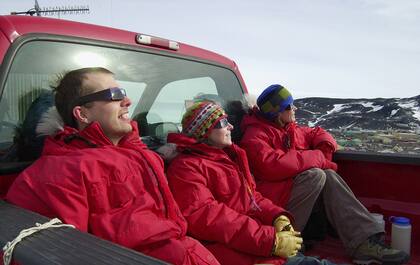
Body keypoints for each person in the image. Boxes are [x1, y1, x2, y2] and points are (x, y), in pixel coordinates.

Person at [6, 67, 220, 265]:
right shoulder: (61, 172)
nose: (127, 100)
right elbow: (58, 255)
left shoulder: (141, 154)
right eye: (114, 95)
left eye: (123, 92)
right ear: (82, 114)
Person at [239, 84, 410, 264]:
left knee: (326, 174)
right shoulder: (254, 136)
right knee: (316, 175)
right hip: (270, 204)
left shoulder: (288, 129)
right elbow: (273, 166)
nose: (295, 108)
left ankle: (363, 242)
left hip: (290, 194)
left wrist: (325, 149)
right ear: (278, 112)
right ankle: (289, 238)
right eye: (290, 106)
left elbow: (317, 132)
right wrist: (319, 158)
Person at [165, 101, 337, 265]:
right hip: (236, 252)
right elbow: (212, 220)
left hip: (254, 244)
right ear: (204, 130)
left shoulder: (226, 158)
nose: (231, 126)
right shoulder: (186, 169)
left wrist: (278, 216)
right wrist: (270, 240)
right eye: (222, 122)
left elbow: (251, 198)